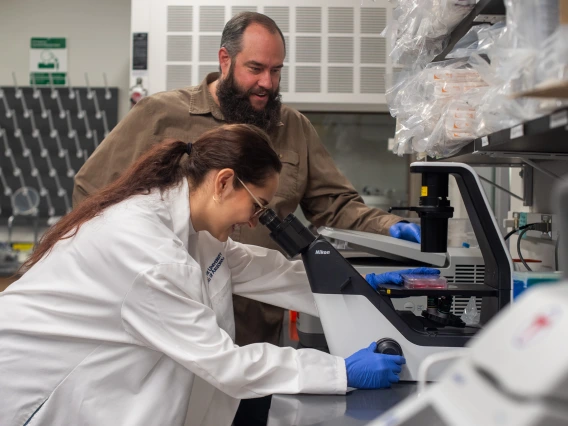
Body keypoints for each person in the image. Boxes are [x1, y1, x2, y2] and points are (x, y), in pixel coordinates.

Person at [72, 12, 423, 425]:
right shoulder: (160, 120)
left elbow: (260, 264)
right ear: (225, 60)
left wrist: (357, 277)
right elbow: (92, 192)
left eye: (276, 71)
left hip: (256, 329)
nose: (268, 83)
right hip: (161, 328)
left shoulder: (290, 132)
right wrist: (122, 278)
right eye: (256, 68)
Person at [0, 125, 407, 426]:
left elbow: (256, 267)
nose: (255, 221)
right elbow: (226, 364)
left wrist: (354, 288)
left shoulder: (189, 227)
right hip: (32, 388)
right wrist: (339, 372)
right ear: (224, 182)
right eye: (258, 205)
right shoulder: (150, 254)